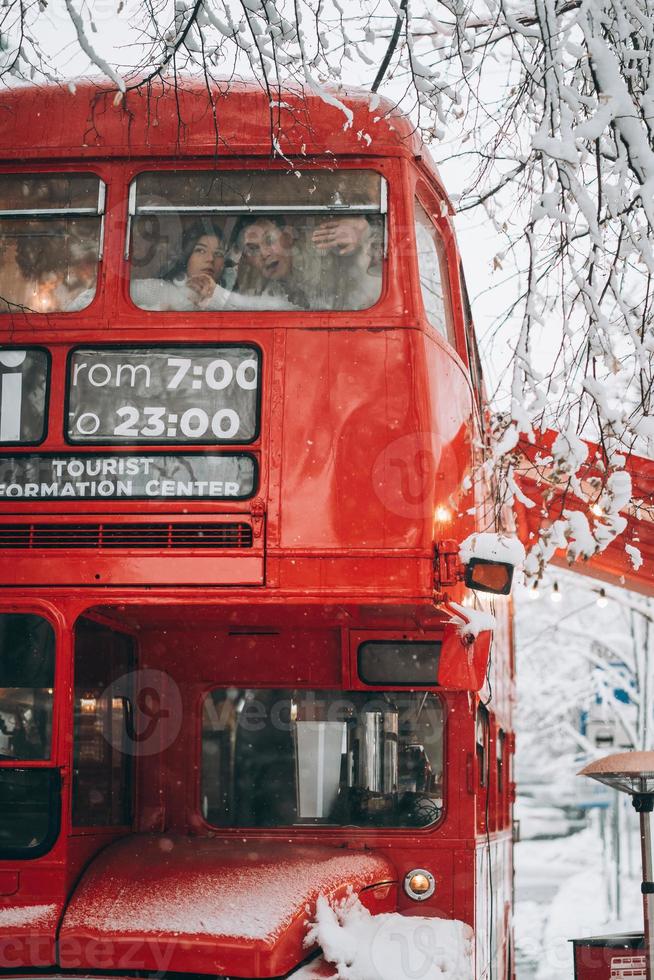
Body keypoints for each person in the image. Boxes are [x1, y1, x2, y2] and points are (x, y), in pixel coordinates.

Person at [130, 219, 294, 312]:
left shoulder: (231, 291)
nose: (210, 259)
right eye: (201, 250)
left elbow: (281, 307)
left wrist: (216, 295)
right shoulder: (161, 289)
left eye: (219, 254)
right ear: (186, 256)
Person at [235, 214, 382, 310]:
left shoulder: (323, 247)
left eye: (270, 240)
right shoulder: (267, 289)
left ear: (288, 237)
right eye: (253, 248)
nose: (264, 253)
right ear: (248, 259)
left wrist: (364, 227)